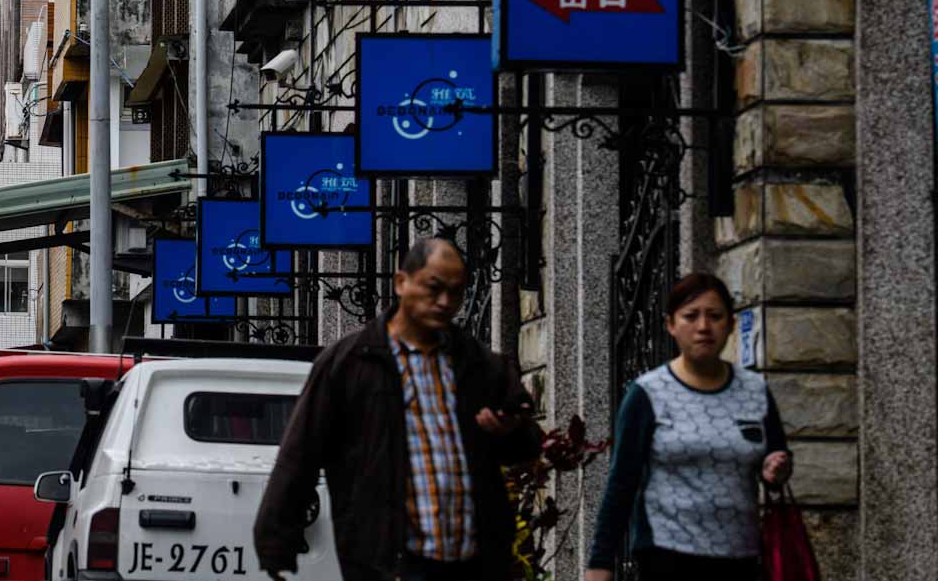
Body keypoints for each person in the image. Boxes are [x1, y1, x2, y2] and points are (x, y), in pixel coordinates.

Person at [254, 237, 541, 581]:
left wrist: (510, 431)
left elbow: (526, 441)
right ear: (402, 282)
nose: (445, 302)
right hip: (389, 562)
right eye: (433, 288)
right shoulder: (350, 362)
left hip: (474, 562)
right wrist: (276, 541)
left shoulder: (479, 363)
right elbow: (301, 452)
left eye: (456, 291)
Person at [586, 272, 792, 581]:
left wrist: (775, 469)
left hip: (741, 558)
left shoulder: (755, 391)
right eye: (690, 316)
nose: (703, 327)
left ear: (731, 324)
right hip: (668, 557)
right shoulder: (648, 394)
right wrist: (600, 563)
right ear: (671, 325)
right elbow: (622, 483)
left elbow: (776, 456)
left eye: (715, 316)